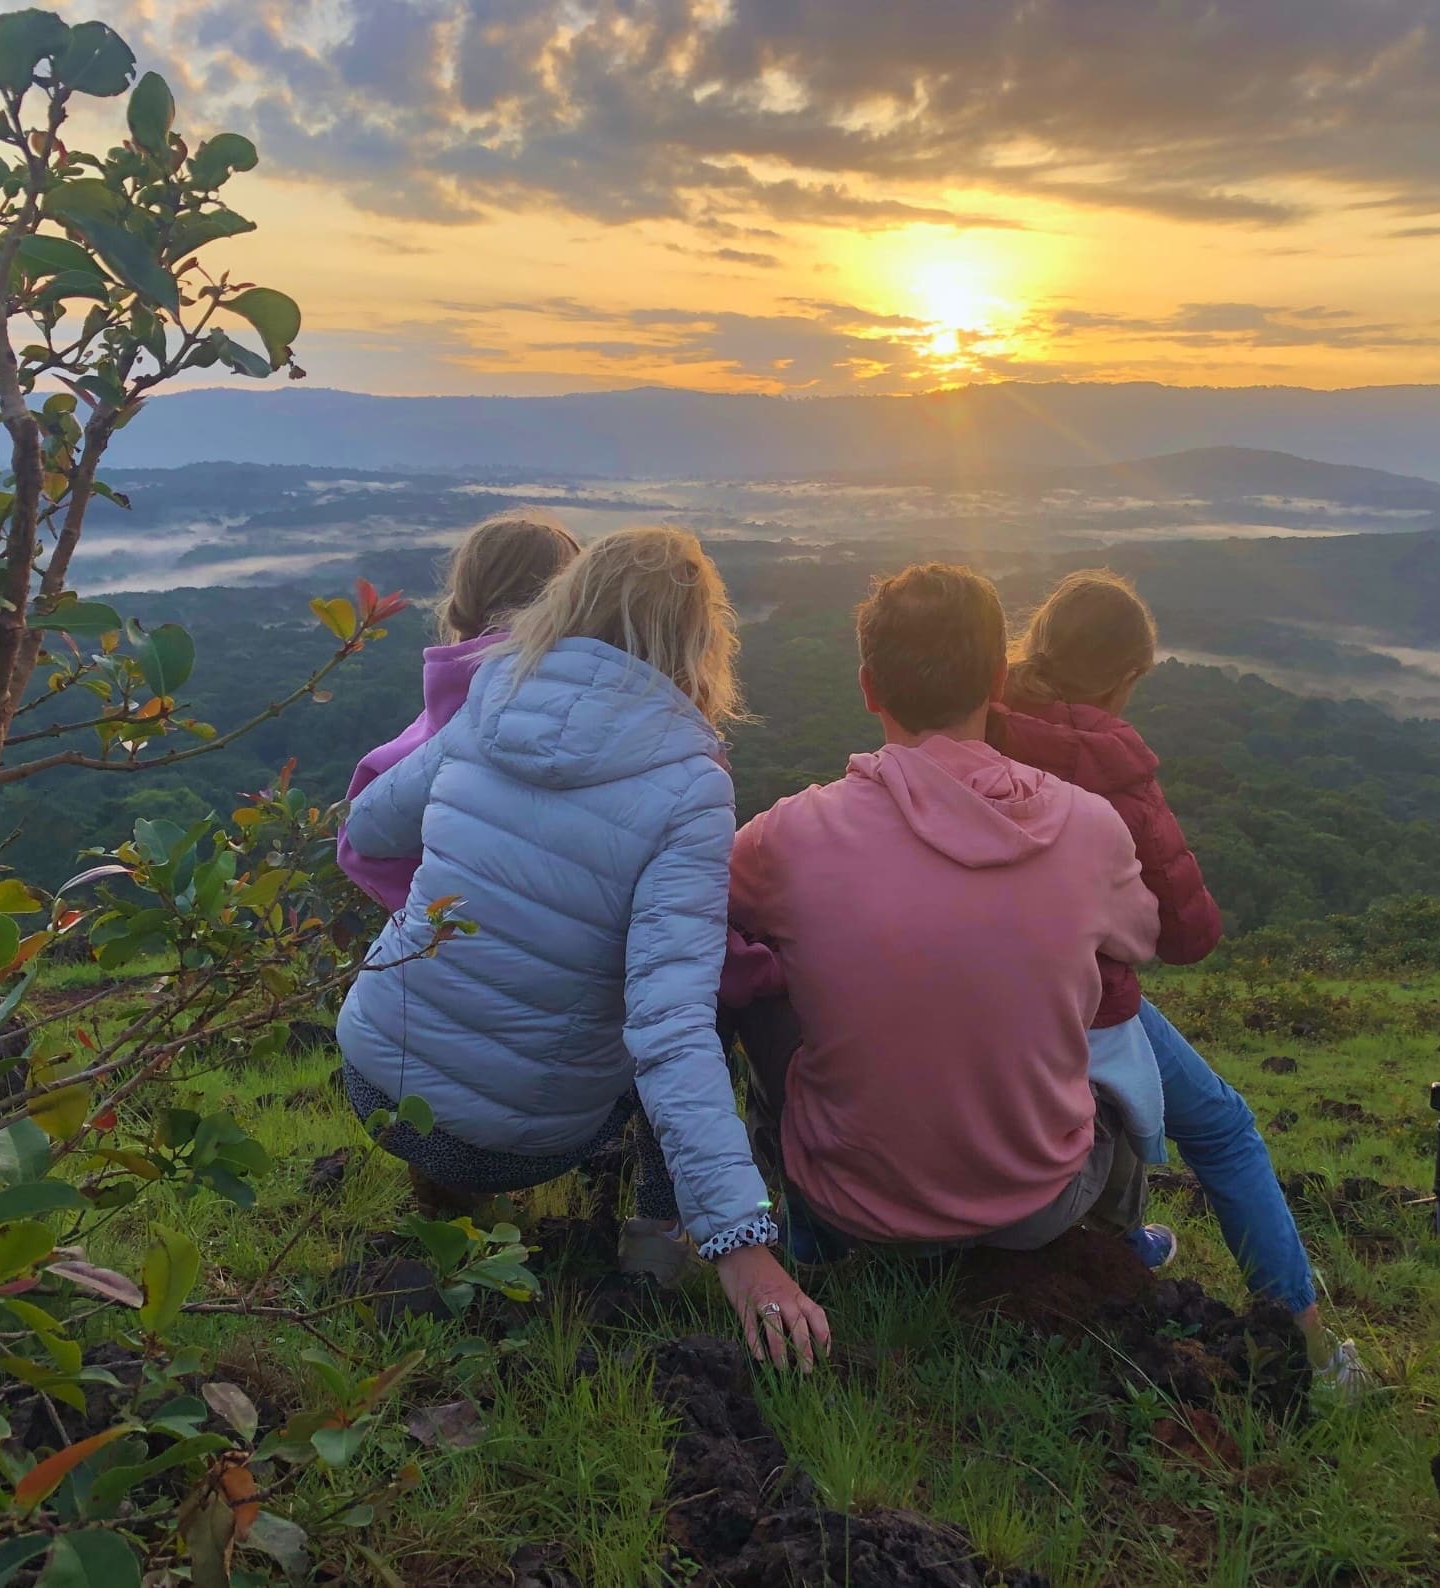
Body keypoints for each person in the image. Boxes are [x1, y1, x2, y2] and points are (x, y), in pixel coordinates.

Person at [337, 526, 830, 1371]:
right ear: (697, 641)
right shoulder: (689, 781)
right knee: (703, 1011)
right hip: (519, 1141)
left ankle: (448, 1209)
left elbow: (370, 829)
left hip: (376, 1083)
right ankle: (654, 1247)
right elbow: (668, 1030)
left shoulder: (492, 697)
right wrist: (742, 1245)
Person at [991, 568, 1371, 1401]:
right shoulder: (1117, 776)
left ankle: (1119, 1252)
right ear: (1129, 676)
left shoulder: (977, 725)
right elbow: (1191, 932)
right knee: (1226, 1131)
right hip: (1081, 1004)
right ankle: (1308, 1345)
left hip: (973, 987)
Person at [729, 563, 1162, 1250]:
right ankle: (1118, 1233)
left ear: (868, 688)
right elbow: (1139, 942)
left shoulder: (786, 837)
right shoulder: (1091, 825)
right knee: (1126, 1024)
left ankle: (795, 1226)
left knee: (755, 983)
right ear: (998, 683)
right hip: (1038, 1208)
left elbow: (709, 915)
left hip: (851, 1202)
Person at [337, 513, 581, 913]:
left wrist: (446, 909)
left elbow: (357, 844)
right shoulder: (601, 707)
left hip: (442, 952)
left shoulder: (443, 721)